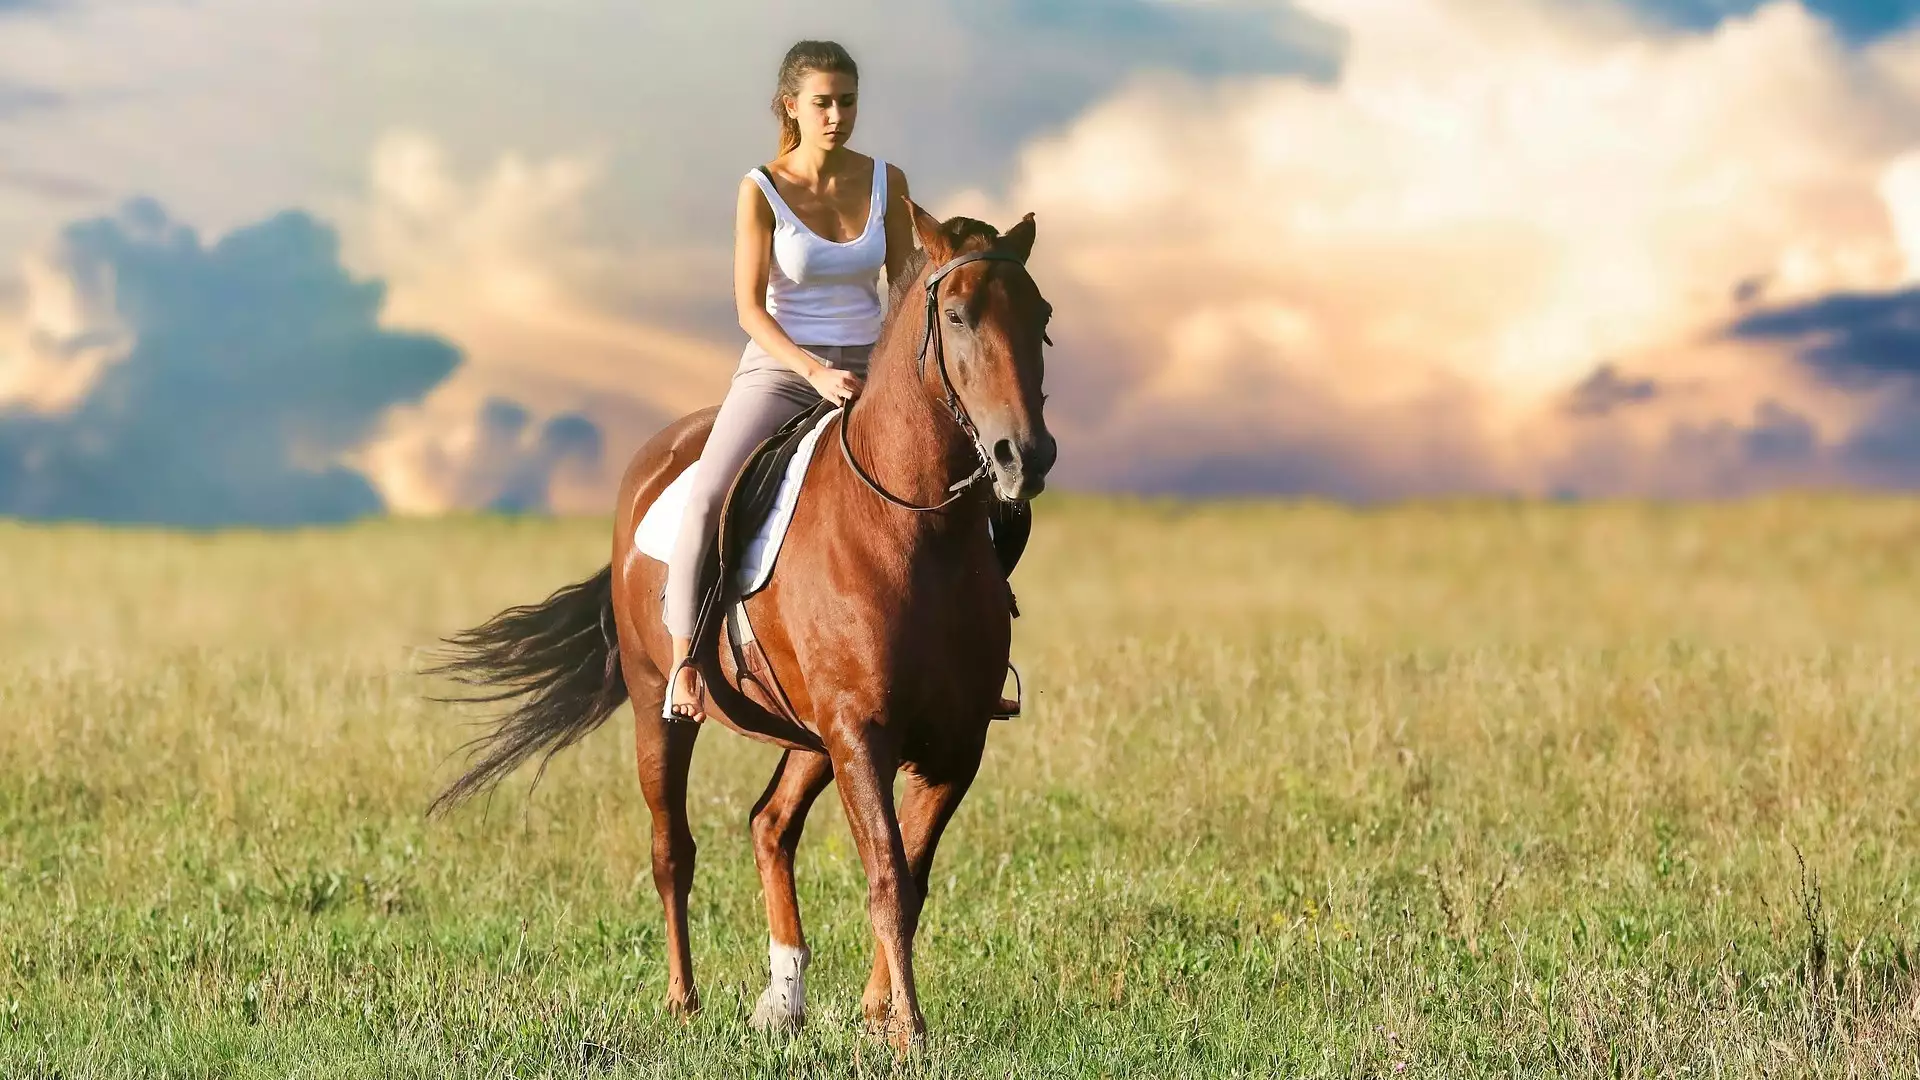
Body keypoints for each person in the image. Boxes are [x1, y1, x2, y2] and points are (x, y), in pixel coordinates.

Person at [661, 39, 908, 722]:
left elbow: (908, 287)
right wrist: (814, 371)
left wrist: (887, 370)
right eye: (823, 103)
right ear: (791, 106)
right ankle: (685, 660)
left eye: (848, 101)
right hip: (784, 368)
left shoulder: (889, 181)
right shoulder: (761, 187)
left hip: (872, 366)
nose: (837, 115)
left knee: (971, 484)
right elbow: (748, 308)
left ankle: (973, 649)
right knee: (709, 495)